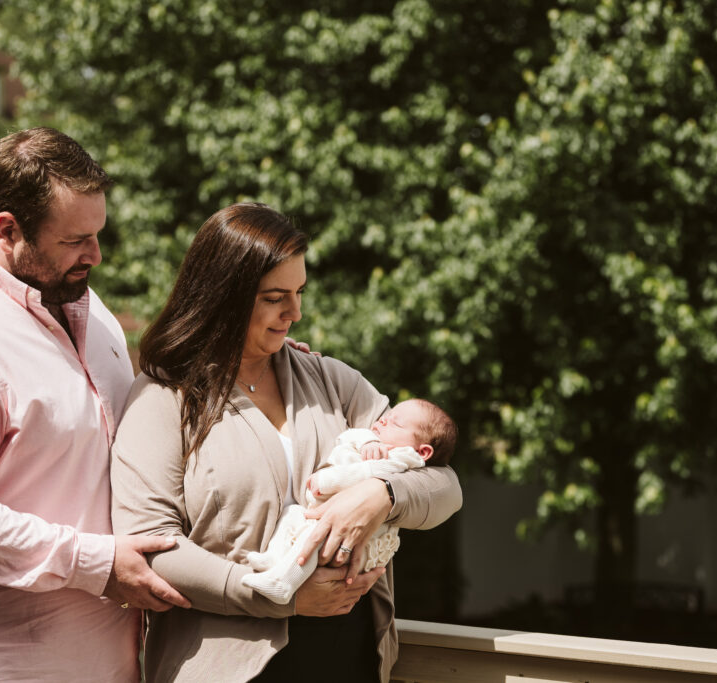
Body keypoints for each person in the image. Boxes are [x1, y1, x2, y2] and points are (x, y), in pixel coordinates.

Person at [0, 127, 190, 682]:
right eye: (76, 239)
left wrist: (261, 358)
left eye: (97, 234)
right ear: (8, 230)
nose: (95, 254)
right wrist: (95, 564)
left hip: (106, 662)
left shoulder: (84, 305)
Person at [110, 202, 462, 683]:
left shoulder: (329, 380)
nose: (295, 312)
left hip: (349, 658)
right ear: (224, 298)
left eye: (298, 292)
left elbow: (444, 485)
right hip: (226, 667)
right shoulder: (163, 399)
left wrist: (380, 495)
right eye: (276, 296)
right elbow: (151, 545)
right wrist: (276, 596)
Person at [243, 399, 457, 605]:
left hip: (351, 539)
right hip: (322, 516)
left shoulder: (401, 459)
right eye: (386, 416)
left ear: (422, 451)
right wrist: (369, 441)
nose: (383, 420)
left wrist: (325, 482)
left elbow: (363, 474)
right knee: (292, 514)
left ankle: (283, 582)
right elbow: (350, 436)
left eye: (395, 423)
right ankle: (273, 559)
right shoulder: (373, 441)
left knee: (314, 537)